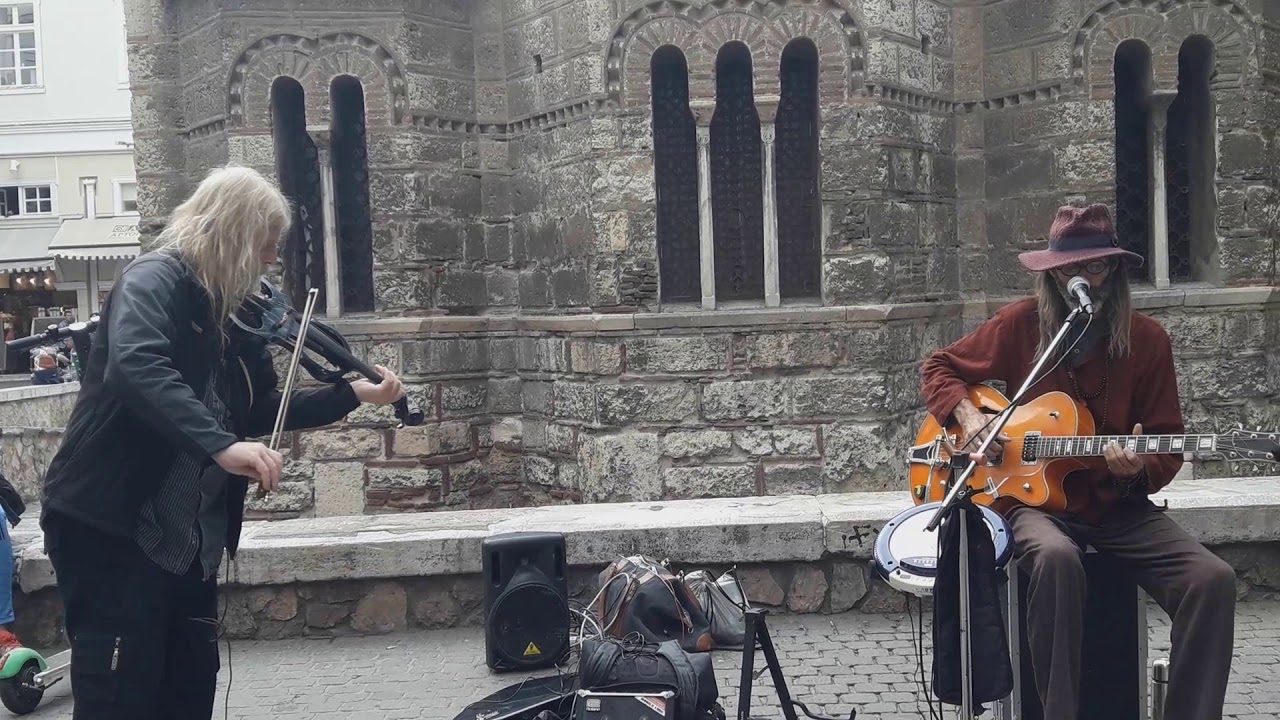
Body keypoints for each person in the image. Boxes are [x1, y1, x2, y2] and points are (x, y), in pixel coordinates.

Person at [38, 166, 406, 720]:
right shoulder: (152, 279)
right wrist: (220, 446)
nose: (271, 260)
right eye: (267, 244)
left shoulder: (234, 315)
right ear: (236, 233)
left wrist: (352, 393)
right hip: (112, 526)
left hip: (187, 543)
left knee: (189, 688)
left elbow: (259, 410)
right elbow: (135, 364)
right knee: (121, 692)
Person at [919, 203, 1236, 720]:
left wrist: (1137, 472)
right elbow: (939, 367)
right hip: (1031, 502)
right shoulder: (1021, 326)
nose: (1084, 278)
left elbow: (1166, 442)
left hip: (1118, 506)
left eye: (1096, 267)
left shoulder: (1149, 341)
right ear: (1052, 274)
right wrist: (970, 416)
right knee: (1056, 558)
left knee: (1211, 579)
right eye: (1072, 268)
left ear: (1113, 271)